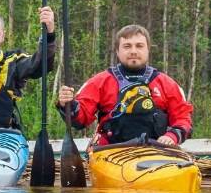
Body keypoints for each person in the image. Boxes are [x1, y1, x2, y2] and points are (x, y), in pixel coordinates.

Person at [57, 24, 192, 147]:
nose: (133, 51)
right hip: (111, 152)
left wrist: (172, 136)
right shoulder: (100, 82)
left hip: (156, 151)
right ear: (117, 51)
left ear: (148, 49)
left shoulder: (167, 84)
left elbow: (183, 119)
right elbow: (80, 120)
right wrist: (68, 104)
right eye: (127, 46)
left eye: (139, 46)